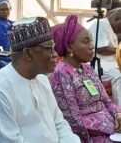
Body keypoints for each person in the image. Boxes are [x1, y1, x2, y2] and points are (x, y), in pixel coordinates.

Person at [0, 17, 80, 143]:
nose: (55, 54)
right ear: (27, 53)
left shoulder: (42, 79)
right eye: (49, 48)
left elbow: (59, 123)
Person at [49, 14, 121, 143]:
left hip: (111, 127)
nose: (92, 46)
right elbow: (73, 121)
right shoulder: (62, 75)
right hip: (91, 136)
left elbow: (107, 101)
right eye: (86, 41)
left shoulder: (87, 68)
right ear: (69, 46)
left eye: (91, 41)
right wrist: (108, 130)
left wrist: (117, 114)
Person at [88, 8, 121, 106]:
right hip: (99, 64)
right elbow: (101, 48)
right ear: (117, 18)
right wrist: (118, 51)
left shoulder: (111, 27)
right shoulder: (101, 24)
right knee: (118, 76)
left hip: (110, 64)